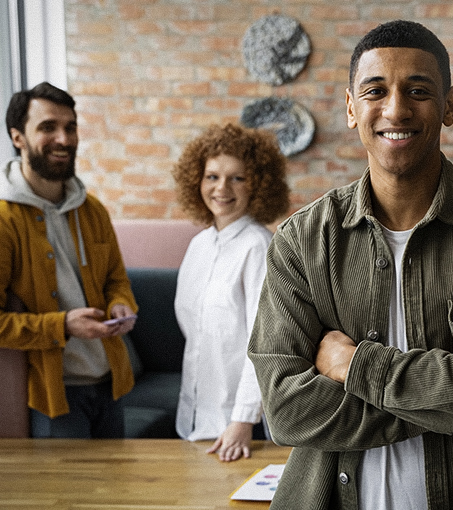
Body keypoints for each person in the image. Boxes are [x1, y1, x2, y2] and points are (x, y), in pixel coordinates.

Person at [247, 20, 453, 509]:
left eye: (418, 90)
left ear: (449, 105)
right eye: (375, 91)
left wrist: (353, 365)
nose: (396, 108)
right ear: (352, 108)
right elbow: (288, 413)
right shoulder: (302, 241)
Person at [0, 82, 138, 438]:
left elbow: (116, 280)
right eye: (48, 127)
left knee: (118, 491)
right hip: (55, 395)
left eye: (70, 127)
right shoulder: (3, 219)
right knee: (68, 495)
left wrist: (121, 303)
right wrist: (63, 325)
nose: (64, 138)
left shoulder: (93, 210)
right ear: (18, 137)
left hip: (113, 383)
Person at [172, 123, 289, 462]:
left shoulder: (258, 247)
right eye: (212, 176)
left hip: (241, 426)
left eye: (237, 177)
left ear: (258, 185)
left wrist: (242, 420)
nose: (222, 188)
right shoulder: (198, 246)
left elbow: (264, 343)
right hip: (194, 414)